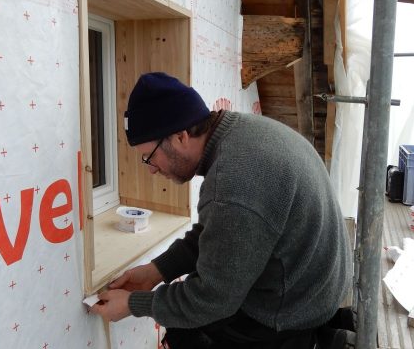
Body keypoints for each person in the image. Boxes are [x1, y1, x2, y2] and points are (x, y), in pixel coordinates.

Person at [91, 72, 353, 349]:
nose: (152, 168)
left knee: (186, 330)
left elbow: (212, 300)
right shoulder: (241, 134)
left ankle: (305, 341)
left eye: (151, 155)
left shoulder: (235, 179)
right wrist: (157, 271)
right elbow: (217, 236)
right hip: (311, 285)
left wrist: (134, 304)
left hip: (294, 308)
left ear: (180, 136)